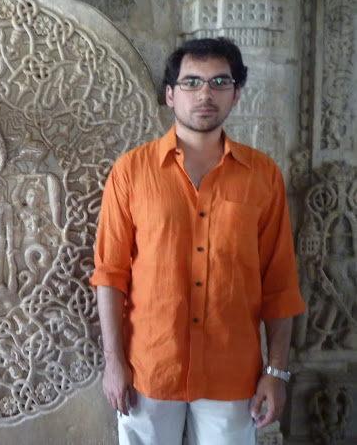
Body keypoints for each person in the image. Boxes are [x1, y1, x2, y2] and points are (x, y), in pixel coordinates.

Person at [90, 37, 306, 444]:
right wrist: (113, 363)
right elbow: (110, 275)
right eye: (191, 82)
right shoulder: (131, 172)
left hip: (232, 372)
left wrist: (275, 373)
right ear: (170, 94)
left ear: (236, 94)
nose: (205, 93)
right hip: (149, 369)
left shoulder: (263, 176)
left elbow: (280, 284)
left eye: (219, 82)